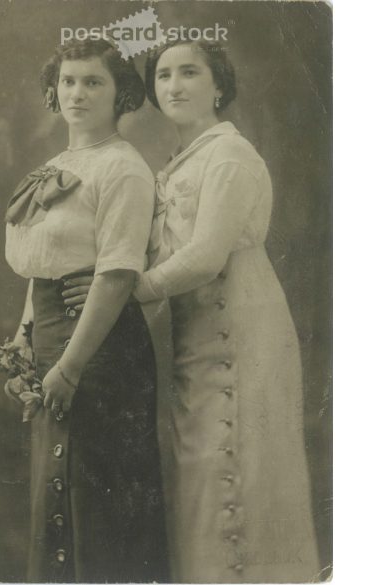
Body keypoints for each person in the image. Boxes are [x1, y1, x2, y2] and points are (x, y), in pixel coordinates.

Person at [63, 39, 320, 582]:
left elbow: (204, 256)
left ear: (219, 86)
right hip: (195, 338)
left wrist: (127, 292)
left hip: (243, 329)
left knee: (238, 474)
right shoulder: (179, 162)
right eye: (162, 76)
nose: (174, 86)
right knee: (200, 479)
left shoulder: (230, 155)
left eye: (189, 73)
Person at [5, 38, 168, 583]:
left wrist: (70, 367)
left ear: (121, 93)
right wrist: (23, 338)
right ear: (54, 90)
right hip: (52, 337)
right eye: (68, 81)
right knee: (53, 484)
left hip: (100, 349)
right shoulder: (55, 166)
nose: (77, 92)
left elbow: (118, 272)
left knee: (98, 500)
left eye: (93, 82)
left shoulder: (123, 167)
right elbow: (44, 265)